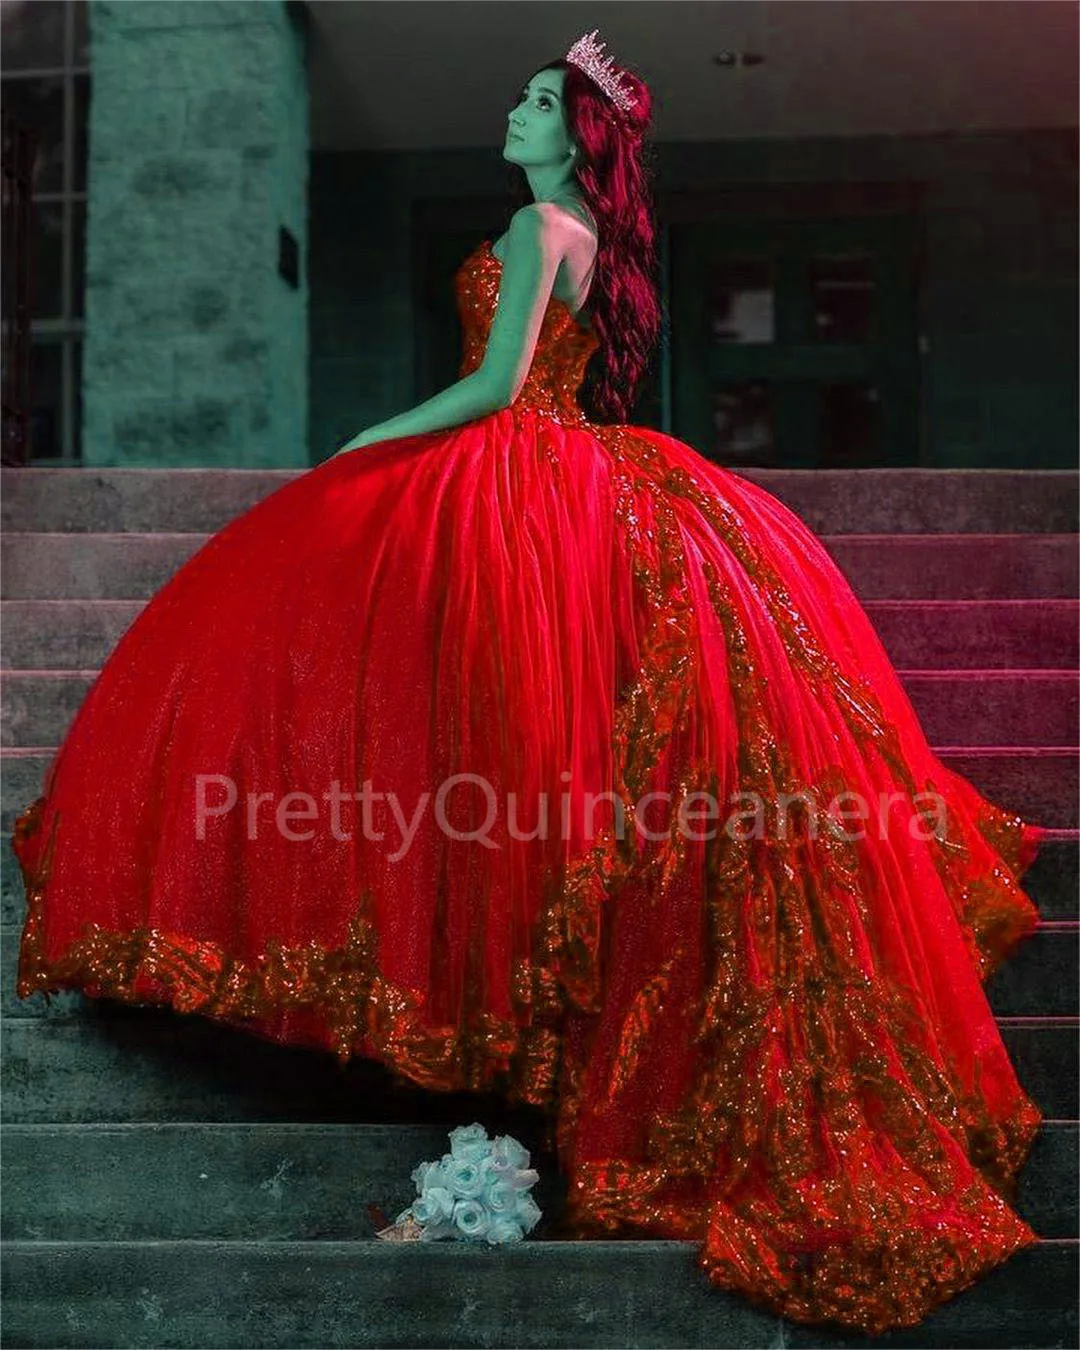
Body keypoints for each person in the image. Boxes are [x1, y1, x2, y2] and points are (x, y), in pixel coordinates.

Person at [10, 28, 1048, 1336]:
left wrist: (361, 445)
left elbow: (495, 387)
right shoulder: (579, 233)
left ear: (579, 140)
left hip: (516, 466)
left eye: (538, 99)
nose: (514, 108)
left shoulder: (536, 219)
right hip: (554, 466)